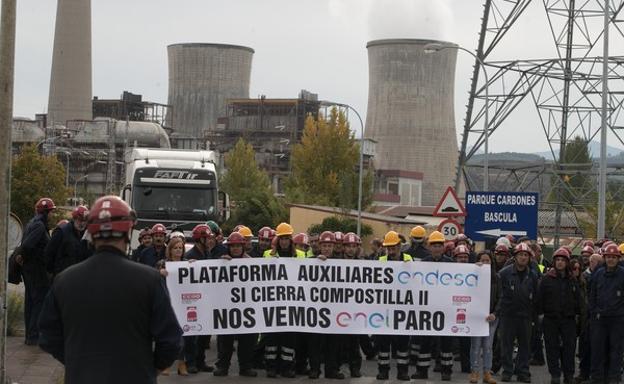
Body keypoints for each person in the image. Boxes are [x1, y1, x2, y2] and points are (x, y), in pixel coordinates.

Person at [38, 195, 182, 383]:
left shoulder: (64, 281)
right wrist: (149, 368)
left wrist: (76, 362)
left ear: (91, 231)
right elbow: (171, 340)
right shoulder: (149, 280)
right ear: (128, 230)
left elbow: (48, 337)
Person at [213, 232, 258, 377]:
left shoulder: (251, 262)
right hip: (227, 309)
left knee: (248, 341)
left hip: (247, 308)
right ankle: (222, 366)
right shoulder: (221, 262)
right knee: (225, 340)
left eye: (238, 246)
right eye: (233, 246)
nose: (236, 249)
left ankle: (245, 367)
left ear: (243, 247)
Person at [263, 222, 304, 378]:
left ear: (291, 239)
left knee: (289, 339)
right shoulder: (268, 255)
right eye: (282, 238)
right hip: (273, 304)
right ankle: (271, 367)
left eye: (287, 238)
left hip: (292, 305)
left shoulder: (300, 255)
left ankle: (287, 367)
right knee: (272, 338)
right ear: (277, 240)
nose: (284, 241)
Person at [496, 242, 540, 383]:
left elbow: (536, 296)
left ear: (529, 258)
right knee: (506, 345)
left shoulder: (533, 276)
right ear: (515, 257)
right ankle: (507, 371)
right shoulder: (504, 273)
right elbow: (499, 294)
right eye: (520, 255)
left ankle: (523, 371)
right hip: (508, 315)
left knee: (525, 346)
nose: (523, 258)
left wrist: (534, 315)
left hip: (525, 316)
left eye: (525, 255)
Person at [536, 247, 581, 384]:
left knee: (569, 349)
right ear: (554, 262)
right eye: (558, 260)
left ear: (567, 262)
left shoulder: (572, 280)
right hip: (550, 320)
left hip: (568, 320)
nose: (560, 262)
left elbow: (578, 300)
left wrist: (578, 316)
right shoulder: (546, 279)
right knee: (551, 349)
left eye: (563, 260)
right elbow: (539, 300)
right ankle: (555, 375)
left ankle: (569, 375)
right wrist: (540, 316)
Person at [414, 231, 454, 381]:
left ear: (443, 247)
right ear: (429, 247)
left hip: (445, 309)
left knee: (446, 343)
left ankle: (446, 371)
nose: (437, 248)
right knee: (425, 342)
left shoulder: (451, 264)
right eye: (434, 246)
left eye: (439, 245)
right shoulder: (423, 264)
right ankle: (422, 371)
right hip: (427, 309)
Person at [375, 231, 412, 381]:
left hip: (403, 308)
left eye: (393, 248)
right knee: (384, 344)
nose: (391, 251)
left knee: (402, 344)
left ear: (399, 246)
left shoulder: (409, 260)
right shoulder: (381, 260)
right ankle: (383, 371)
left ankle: (402, 372)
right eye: (388, 248)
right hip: (385, 309)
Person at [20, 197, 56, 345]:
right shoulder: (40, 226)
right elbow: (27, 246)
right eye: (51, 211)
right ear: (46, 212)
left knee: (30, 301)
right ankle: (33, 336)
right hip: (36, 269)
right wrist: (33, 259)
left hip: (29, 269)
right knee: (38, 301)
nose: (52, 215)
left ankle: (30, 334)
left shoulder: (32, 223)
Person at [589, 243, 624, 384]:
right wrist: (594, 311)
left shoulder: (622, 274)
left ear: (618, 259)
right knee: (598, 349)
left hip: (617, 319)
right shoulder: (598, 274)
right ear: (605, 258)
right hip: (600, 319)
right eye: (608, 257)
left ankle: (614, 377)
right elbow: (592, 295)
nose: (611, 260)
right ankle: (597, 377)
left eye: (614, 257)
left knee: (616, 350)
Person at [182, 224, 213, 374]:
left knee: (203, 334)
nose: (209, 241)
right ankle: (191, 362)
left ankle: (201, 361)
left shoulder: (208, 254)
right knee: (192, 334)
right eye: (207, 238)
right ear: (200, 239)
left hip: (205, 300)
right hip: (193, 301)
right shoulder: (190, 256)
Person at [156, 237, 188, 376]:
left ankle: (182, 363)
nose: (178, 250)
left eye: (180, 248)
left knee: (184, 335)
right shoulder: (163, 263)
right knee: (166, 335)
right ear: (170, 250)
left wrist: (193, 265)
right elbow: (150, 276)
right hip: (167, 303)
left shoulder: (186, 264)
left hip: (184, 303)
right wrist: (159, 273)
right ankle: (166, 365)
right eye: (175, 248)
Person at [470, 251, 498, 384]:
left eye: (488, 261)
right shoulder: (472, 276)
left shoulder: (497, 277)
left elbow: (501, 298)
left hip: (491, 317)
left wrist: (495, 313)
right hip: (476, 317)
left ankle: (487, 372)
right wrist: (473, 269)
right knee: (475, 346)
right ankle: (474, 372)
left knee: (488, 346)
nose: (486, 263)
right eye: (483, 260)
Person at [44, 205, 92, 280]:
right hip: (62, 276)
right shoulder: (61, 232)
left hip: (79, 277)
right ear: (74, 219)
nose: (82, 223)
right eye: (80, 220)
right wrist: (51, 272)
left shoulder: (86, 235)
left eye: (85, 221)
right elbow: (49, 252)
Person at [453, 245, 472, 374]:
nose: (463, 259)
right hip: (450, 310)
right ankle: (442, 365)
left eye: (465, 257)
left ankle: (466, 366)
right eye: (460, 257)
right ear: (455, 258)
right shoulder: (448, 270)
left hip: (466, 310)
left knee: (466, 342)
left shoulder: (475, 270)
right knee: (446, 341)